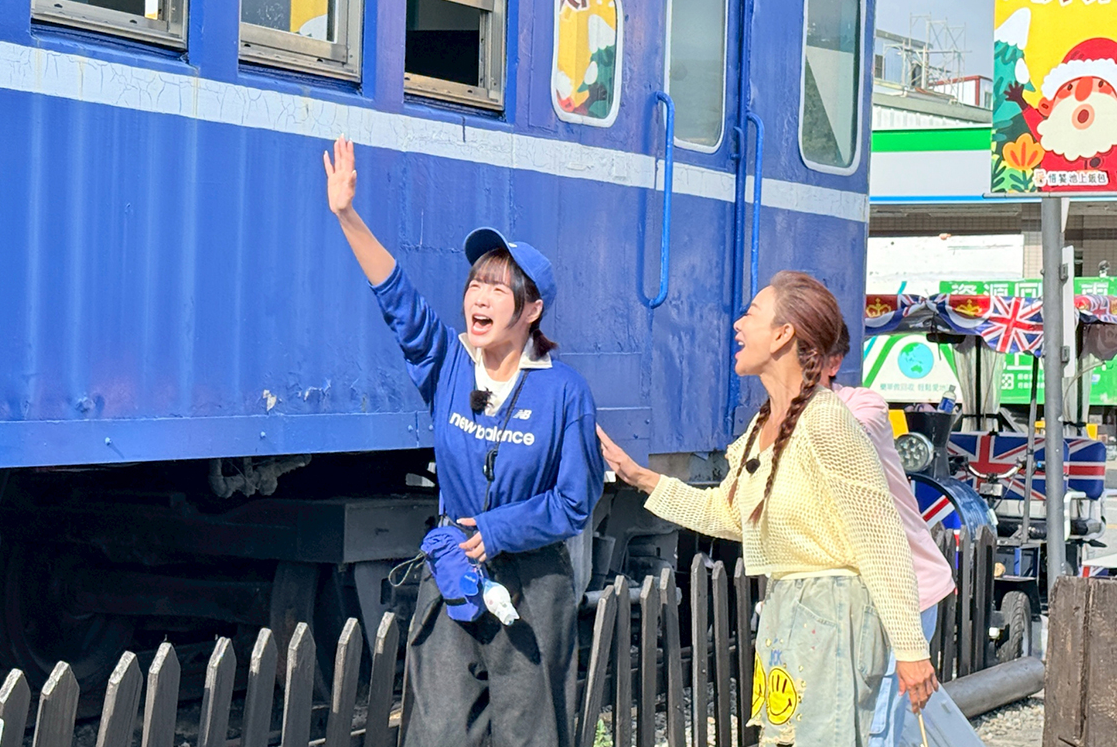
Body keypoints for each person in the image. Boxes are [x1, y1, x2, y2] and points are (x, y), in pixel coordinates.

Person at [323, 136, 604, 747]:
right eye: (476, 283)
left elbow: (575, 503)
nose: (478, 296)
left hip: (534, 585)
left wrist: (497, 533)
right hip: (452, 572)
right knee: (440, 731)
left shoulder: (565, 395)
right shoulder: (448, 364)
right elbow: (398, 301)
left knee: (532, 735)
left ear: (530, 312)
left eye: (498, 288)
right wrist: (347, 215)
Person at [597, 271, 937, 747]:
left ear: (783, 334)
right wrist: (641, 478)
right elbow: (729, 513)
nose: (738, 326)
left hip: (833, 614)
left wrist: (910, 649)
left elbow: (881, 542)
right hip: (788, 611)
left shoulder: (827, 422)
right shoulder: (766, 424)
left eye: (752, 315)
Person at [823, 324, 966, 747]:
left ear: (832, 363)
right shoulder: (775, 420)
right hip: (843, 596)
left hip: (902, 588)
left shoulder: (861, 405)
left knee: (877, 723)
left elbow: (847, 436)